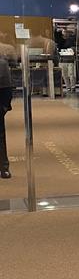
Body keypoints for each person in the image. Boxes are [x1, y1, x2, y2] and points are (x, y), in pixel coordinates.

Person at [0, 33, 17, 179]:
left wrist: (4, 107)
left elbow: (6, 88)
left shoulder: (2, 63)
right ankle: (4, 167)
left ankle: (4, 166)